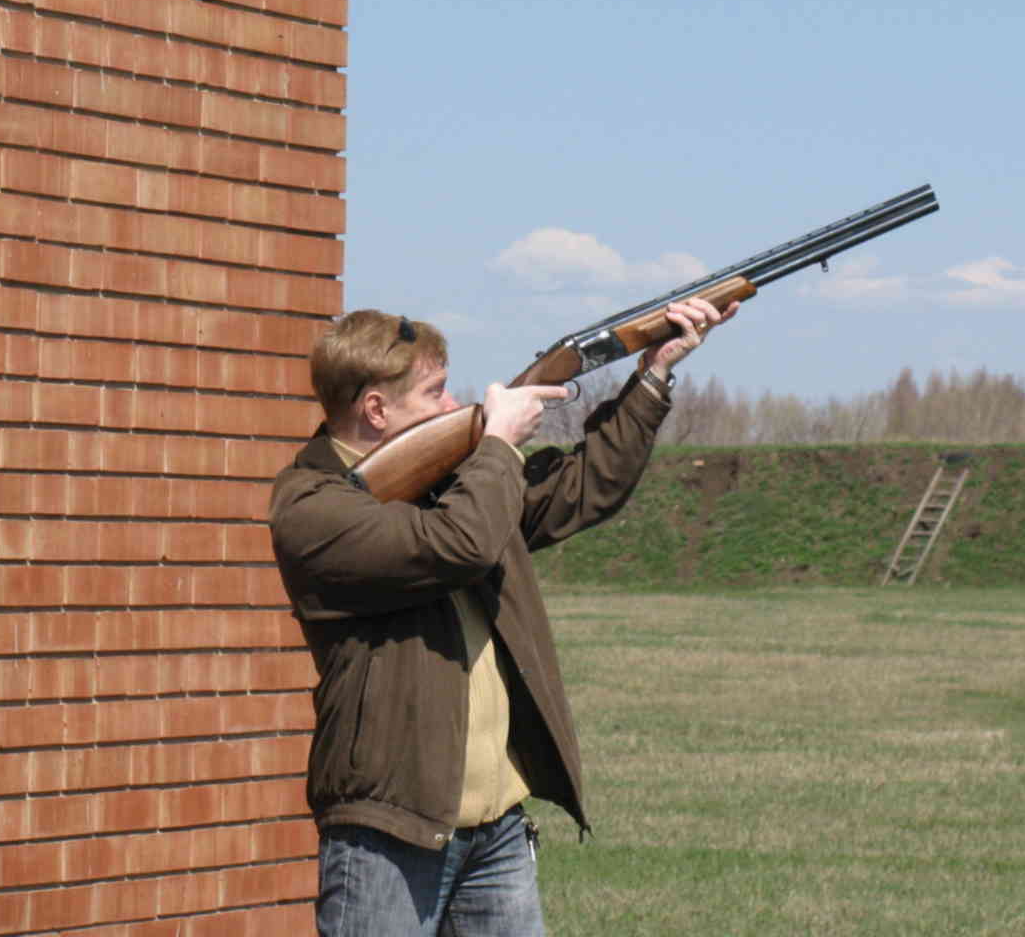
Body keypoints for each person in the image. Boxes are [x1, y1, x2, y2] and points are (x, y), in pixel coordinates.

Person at [269, 296, 735, 936]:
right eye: (435, 394)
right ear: (376, 409)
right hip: (390, 830)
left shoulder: (454, 483)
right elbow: (456, 545)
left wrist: (652, 374)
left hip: (498, 830)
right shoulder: (313, 509)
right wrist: (497, 447)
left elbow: (583, 489)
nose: (454, 407)